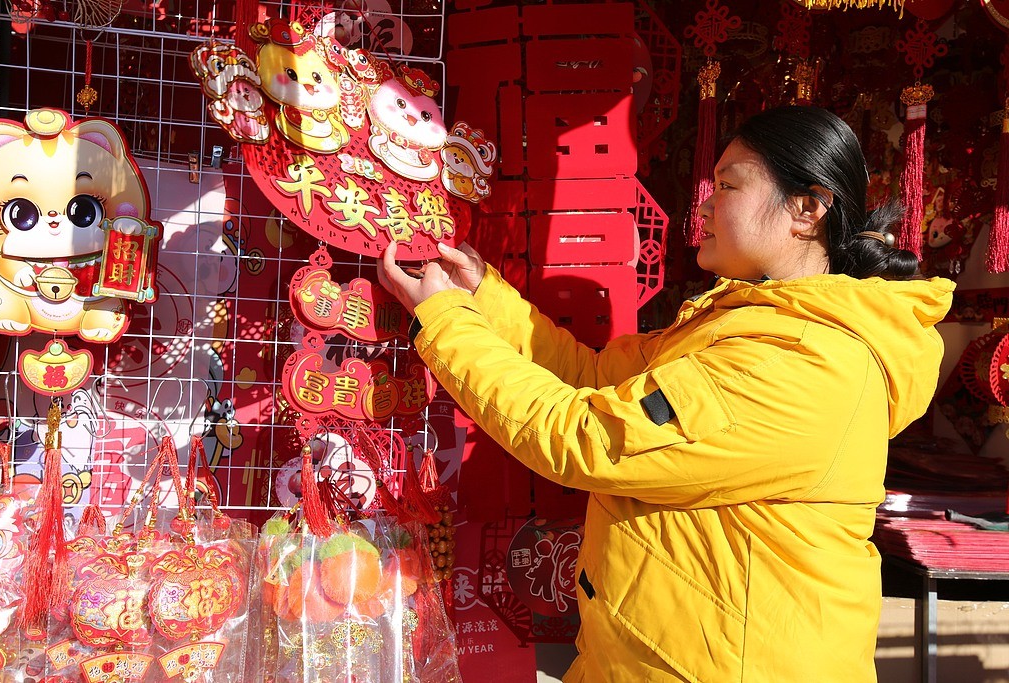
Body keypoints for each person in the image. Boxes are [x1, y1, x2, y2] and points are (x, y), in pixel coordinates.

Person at [377, 105, 954, 682]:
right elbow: (599, 381)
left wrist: (445, 321)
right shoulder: (743, 321)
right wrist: (483, 300)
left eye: (728, 185)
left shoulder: (806, 361)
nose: (703, 204)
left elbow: (587, 439)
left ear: (806, 208)